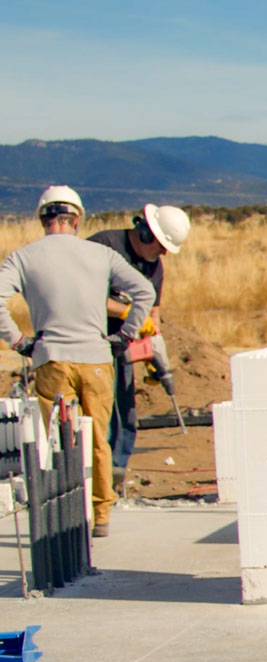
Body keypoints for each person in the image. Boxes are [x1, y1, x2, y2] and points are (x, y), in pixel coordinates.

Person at [0, 185, 155, 538]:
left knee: (61, 440)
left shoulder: (22, 258)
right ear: (78, 218)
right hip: (97, 360)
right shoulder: (100, 255)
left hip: (51, 360)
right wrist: (126, 334)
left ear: (42, 218)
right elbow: (144, 291)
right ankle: (101, 515)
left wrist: (19, 341)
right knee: (98, 438)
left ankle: (69, 517)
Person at [90, 203, 190, 493]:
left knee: (125, 412)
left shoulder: (154, 267)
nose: (163, 255)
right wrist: (125, 311)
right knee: (100, 411)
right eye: (160, 247)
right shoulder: (103, 246)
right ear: (145, 233)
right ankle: (97, 478)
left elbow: (153, 313)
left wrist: (152, 351)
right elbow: (80, 295)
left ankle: (115, 474)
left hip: (121, 344)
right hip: (90, 340)